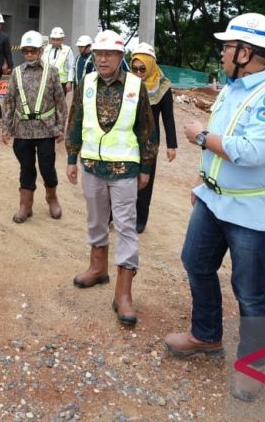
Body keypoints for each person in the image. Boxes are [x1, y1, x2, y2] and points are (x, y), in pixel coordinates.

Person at [163, 12, 265, 404]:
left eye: (227, 46)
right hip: (213, 199)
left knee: (250, 290)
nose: (221, 52)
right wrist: (203, 184)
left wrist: (201, 137)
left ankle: (254, 365)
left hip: (253, 210)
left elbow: (251, 152)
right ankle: (206, 335)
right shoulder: (232, 88)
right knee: (196, 262)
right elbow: (228, 146)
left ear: (246, 52)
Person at [66, 29, 155, 327]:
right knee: (95, 220)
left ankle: (123, 294)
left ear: (120, 57)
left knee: (126, 226)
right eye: (99, 54)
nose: (103, 59)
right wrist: (71, 158)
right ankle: (97, 269)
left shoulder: (135, 85)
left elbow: (146, 128)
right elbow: (75, 120)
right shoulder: (86, 82)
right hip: (91, 165)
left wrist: (145, 167)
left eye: (110, 54)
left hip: (125, 170)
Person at [1, 30, 67, 223]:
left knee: (47, 167)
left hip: (45, 130)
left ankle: (52, 198)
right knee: (26, 168)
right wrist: (6, 127)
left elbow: (60, 102)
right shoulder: (16, 73)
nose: (29, 55)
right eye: (26, 51)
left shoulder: (52, 72)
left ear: (41, 51)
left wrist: (60, 127)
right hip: (22, 130)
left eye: (33, 51)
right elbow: (10, 102)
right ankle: (25, 205)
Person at [128, 43, 177, 234]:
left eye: (143, 68)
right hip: (126, 137)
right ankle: (112, 215)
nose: (138, 73)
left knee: (145, 179)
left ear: (151, 66)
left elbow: (168, 117)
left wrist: (171, 145)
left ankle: (140, 218)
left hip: (149, 140)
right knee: (120, 176)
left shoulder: (163, 87)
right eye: (135, 68)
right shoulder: (127, 83)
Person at [45, 27, 76, 94]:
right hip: (47, 81)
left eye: (58, 40)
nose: (55, 42)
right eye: (54, 40)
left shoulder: (67, 50)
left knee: (60, 103)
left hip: (61, 82)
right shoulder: (46, 49)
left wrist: (69, 81)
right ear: (51, 39)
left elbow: (71, 67)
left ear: (62, 39)